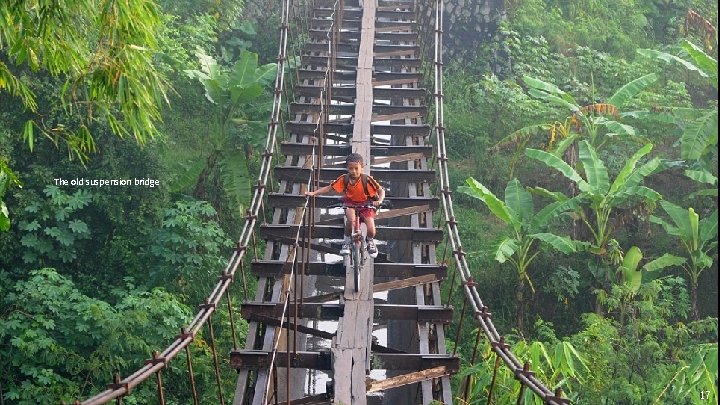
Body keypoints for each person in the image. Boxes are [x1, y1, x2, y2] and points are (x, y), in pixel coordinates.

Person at [305, 153, 385, 258]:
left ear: (362, 168)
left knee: (371, 228)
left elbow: (380, 190)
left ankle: (369, 241)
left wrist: (379, 200)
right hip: (350, 203)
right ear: (347, 168)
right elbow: (329, 188)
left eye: (356, 168)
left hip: (366, 204)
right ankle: (346, 242)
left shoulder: (366, 179)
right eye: (351, 168)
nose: (354, 171)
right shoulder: (344, 179)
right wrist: (314, 193)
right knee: (351, 220)